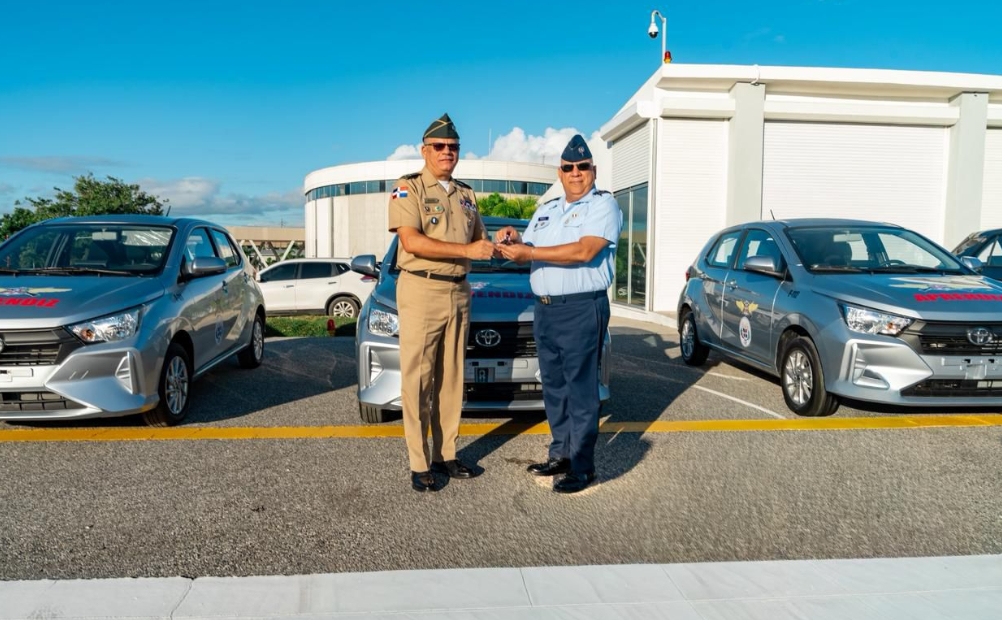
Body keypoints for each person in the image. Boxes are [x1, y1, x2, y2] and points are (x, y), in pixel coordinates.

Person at [496, 134, 623, 493]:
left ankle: (583, 468)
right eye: (569, 167)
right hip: (547, 310)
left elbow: (584, 251)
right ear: (560, 172)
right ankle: (561, 453)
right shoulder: (547, 207)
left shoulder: (603, 206)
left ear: (593, 171)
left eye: (583, 167)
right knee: (553, 386)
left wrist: (530, 254)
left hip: (582, 307)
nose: (576, 173)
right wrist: (514, 239)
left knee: (581, 389)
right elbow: (532, 244)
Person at [388, 113, 496, 492]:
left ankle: (445, 455)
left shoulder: (466, 195)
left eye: (452, 147)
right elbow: (411, 242)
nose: (447, 152)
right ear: (425, 150)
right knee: (418, 380)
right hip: (422, 289)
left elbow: (481, 239)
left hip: (459, 291)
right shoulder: (410, 188)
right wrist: (467, 248)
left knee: (451, 379)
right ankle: (419, 463)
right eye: (439, 147)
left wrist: (503, 239)